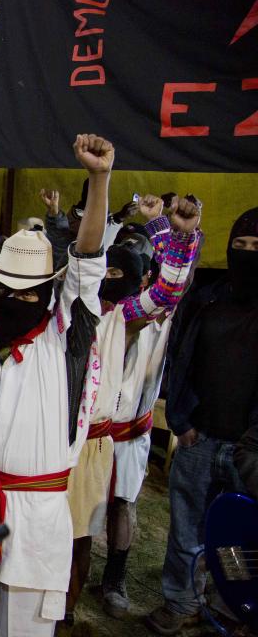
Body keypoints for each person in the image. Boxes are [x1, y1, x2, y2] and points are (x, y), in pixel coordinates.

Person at [0, 134, 114, 636]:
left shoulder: (67, 344)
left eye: (25, 293)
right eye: (2, 289)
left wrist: (98, 179)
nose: (11, 298)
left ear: (46, 295)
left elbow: (86, 266)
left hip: (34, 521)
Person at [64, 195, 200, 628]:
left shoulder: (129, 315)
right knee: (69, 528)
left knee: (112, 513)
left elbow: (170, 290)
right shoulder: (73, 310)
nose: (108, 278)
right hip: (71, 438)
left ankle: (109, 583)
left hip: (119, 435)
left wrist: (169, 230)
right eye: (104, 271)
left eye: (119, 272)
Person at [146, 206, 258, 635]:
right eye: (240, 246)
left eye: (256, 248)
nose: (246, 254)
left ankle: (228, 606)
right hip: (198, 437)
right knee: (186, 528)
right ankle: (180, 602)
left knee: (235, 538)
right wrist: (179, 417)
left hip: (248, 451)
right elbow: (180, 357)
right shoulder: (207, 297)